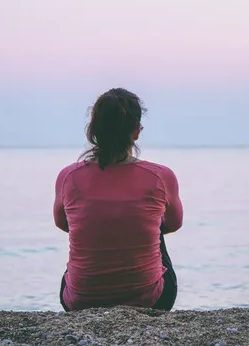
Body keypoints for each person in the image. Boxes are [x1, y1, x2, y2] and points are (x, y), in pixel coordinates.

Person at [53, 88, 183, 311]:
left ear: (93, 131)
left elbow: (63, 224)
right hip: (151, 301)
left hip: (79, 302)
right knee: (156, 228)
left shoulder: (68, 177)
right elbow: (173, 224)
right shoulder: (161, 177)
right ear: (135, 132)